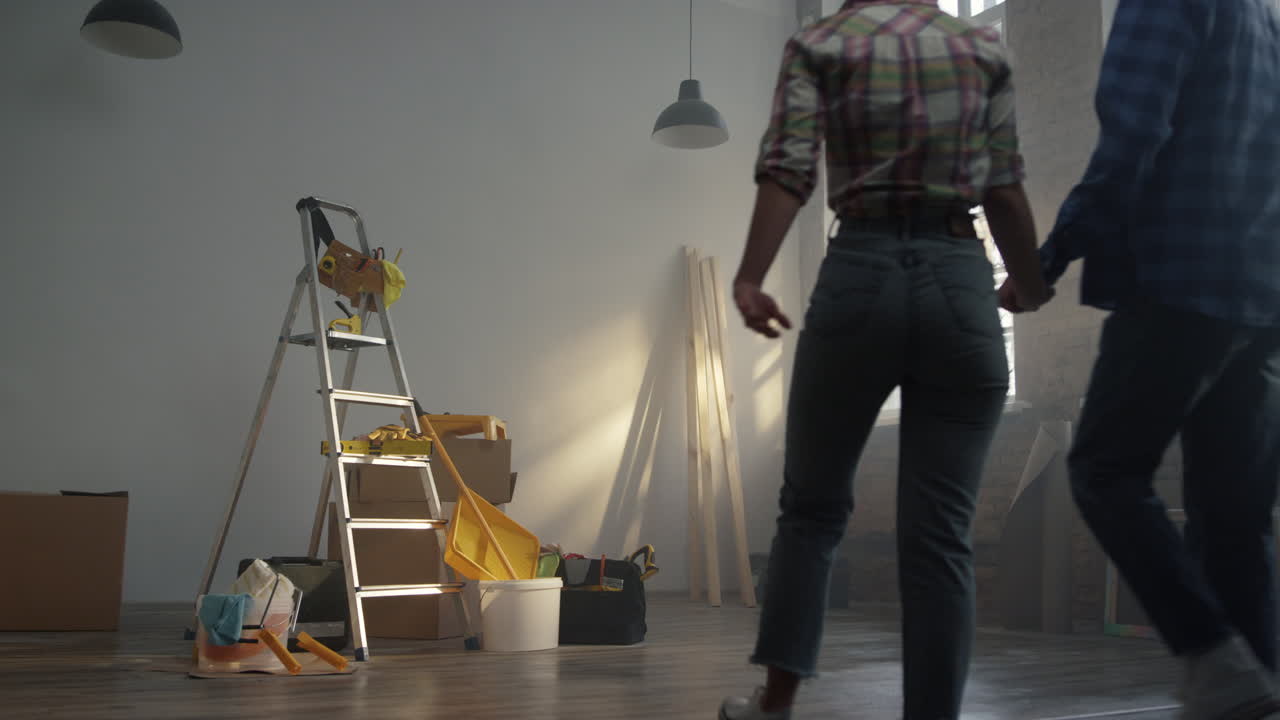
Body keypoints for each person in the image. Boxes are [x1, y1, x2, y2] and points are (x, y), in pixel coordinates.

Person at [720, 2, 1051, 718]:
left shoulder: (819, 42)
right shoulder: (980, 47)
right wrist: (1026, 279)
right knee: (941, 534)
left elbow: (789, 168)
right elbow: (1003, 185)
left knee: (810, 511)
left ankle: (774, 706)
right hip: (960, 278)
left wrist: (750, 277)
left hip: (860, 272)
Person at [1014, 0, 1280, 718]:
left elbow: (1132, 136)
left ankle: (1211, 655)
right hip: (1261, 294)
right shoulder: (1261, 14)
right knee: (1234, 517)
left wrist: (1049, 257)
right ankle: (1250, 685)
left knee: (1104, 470)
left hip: (1179, 278)